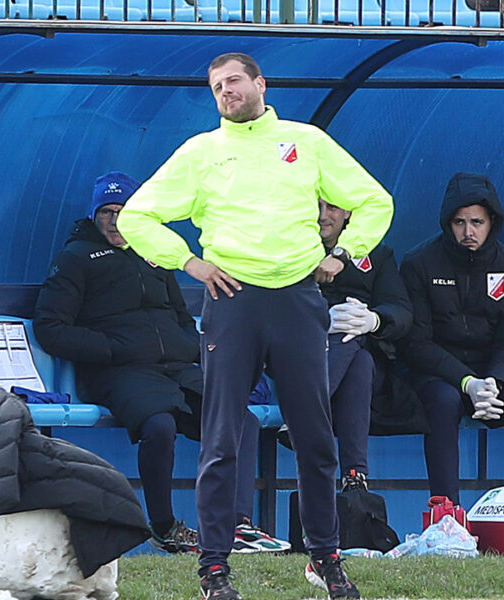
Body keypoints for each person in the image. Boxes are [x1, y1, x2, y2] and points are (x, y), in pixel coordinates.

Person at [117, 52, 392, 600]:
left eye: (234, 81)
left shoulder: (306, 141)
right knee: (222, 438)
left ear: (260, 83)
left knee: (315, 438)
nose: (226, 91)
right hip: (232, 300)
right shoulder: (201, 152)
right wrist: (188, 262)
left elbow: (374, 200)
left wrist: (344, 253)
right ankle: (214, 569)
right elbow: (135, 216)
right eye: (217, 86)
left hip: (298, 298)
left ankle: (325, 558)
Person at [33, 171, 289, 556]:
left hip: (175, 367)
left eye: (124, 211)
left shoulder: (155, 253)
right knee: (160, 425)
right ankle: (165, 527)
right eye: (106, 212)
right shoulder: (76, 258)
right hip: (118, 370)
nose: (115, 220)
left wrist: (188, 345)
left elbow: (180, 315)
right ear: (94, 215)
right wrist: (112, 348)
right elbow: (50, 328)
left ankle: (236, 525)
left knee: (242, 420)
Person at [399, 172, 504, 508]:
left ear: (492, 222)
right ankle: (446, 515)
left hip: (492, 380)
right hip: (439, 377)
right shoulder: (418, 263)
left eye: (477, 222)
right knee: (443, 402)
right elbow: (416, 344)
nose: (468, 232)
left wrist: (495, 383)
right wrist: (467, 382)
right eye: (459, 222)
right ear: (447, 223)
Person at [279, 199, 413, 493]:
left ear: (348, 212)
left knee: (354, 337)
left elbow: (402, 311)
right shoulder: (290, 248)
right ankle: (355, 477)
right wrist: (322, 321)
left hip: (372, 370)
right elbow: (274, 308)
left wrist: (374, 320)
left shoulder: (377, 254)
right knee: (357, 359)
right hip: (300, 360)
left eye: (332, 208)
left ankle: (302, 414)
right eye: (316, 206)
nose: (322, 216)